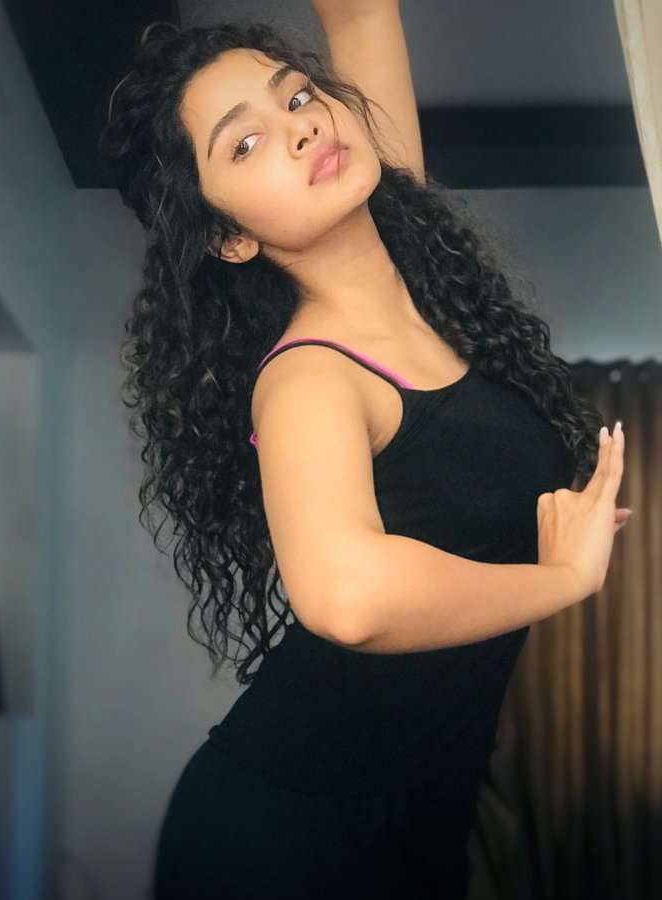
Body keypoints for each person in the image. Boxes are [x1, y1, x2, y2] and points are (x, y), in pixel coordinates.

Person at [98, 4, 630, 897]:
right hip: (285, 838)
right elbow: (346, 598)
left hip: (421, 811)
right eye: (245, 144)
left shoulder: (420, 281)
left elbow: (360, 13)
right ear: (229, 236)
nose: (301, 128)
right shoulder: (310, 378)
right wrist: (562, 579)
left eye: (298, 96)